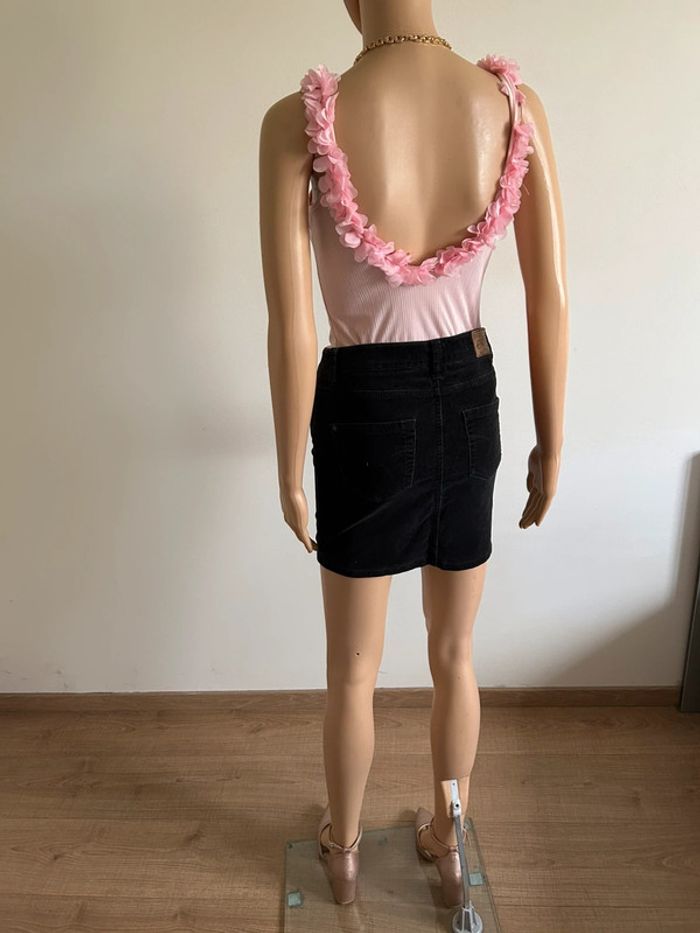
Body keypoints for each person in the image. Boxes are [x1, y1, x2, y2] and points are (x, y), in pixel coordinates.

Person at [259, 0, 569, 908]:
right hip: (470, 393)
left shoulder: (297, 121)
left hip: (362, 401)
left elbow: (290, 320)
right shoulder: (509, 106)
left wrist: (288, 464)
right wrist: (551, 440)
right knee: (456, 651)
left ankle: (346, 851)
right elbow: (550, 294)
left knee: (352, 668)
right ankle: (447, 838)